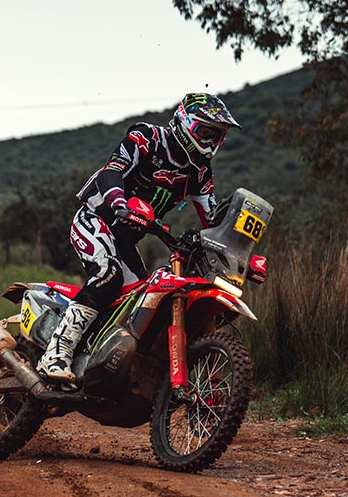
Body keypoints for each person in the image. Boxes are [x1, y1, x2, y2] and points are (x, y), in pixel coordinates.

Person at [36, 92, 241, 383]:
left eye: (215, 136)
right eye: (204, 132)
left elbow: (211, 218)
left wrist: (236, 249)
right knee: (108, 274)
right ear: (185, 122)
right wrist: (119, 203)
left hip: (125, 240)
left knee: (140, 301)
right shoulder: (147, 137)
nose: (209, 141)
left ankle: (99, 360)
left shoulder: (200, 171)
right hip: (95, 219)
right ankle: (56, 353)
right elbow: (112, 171)